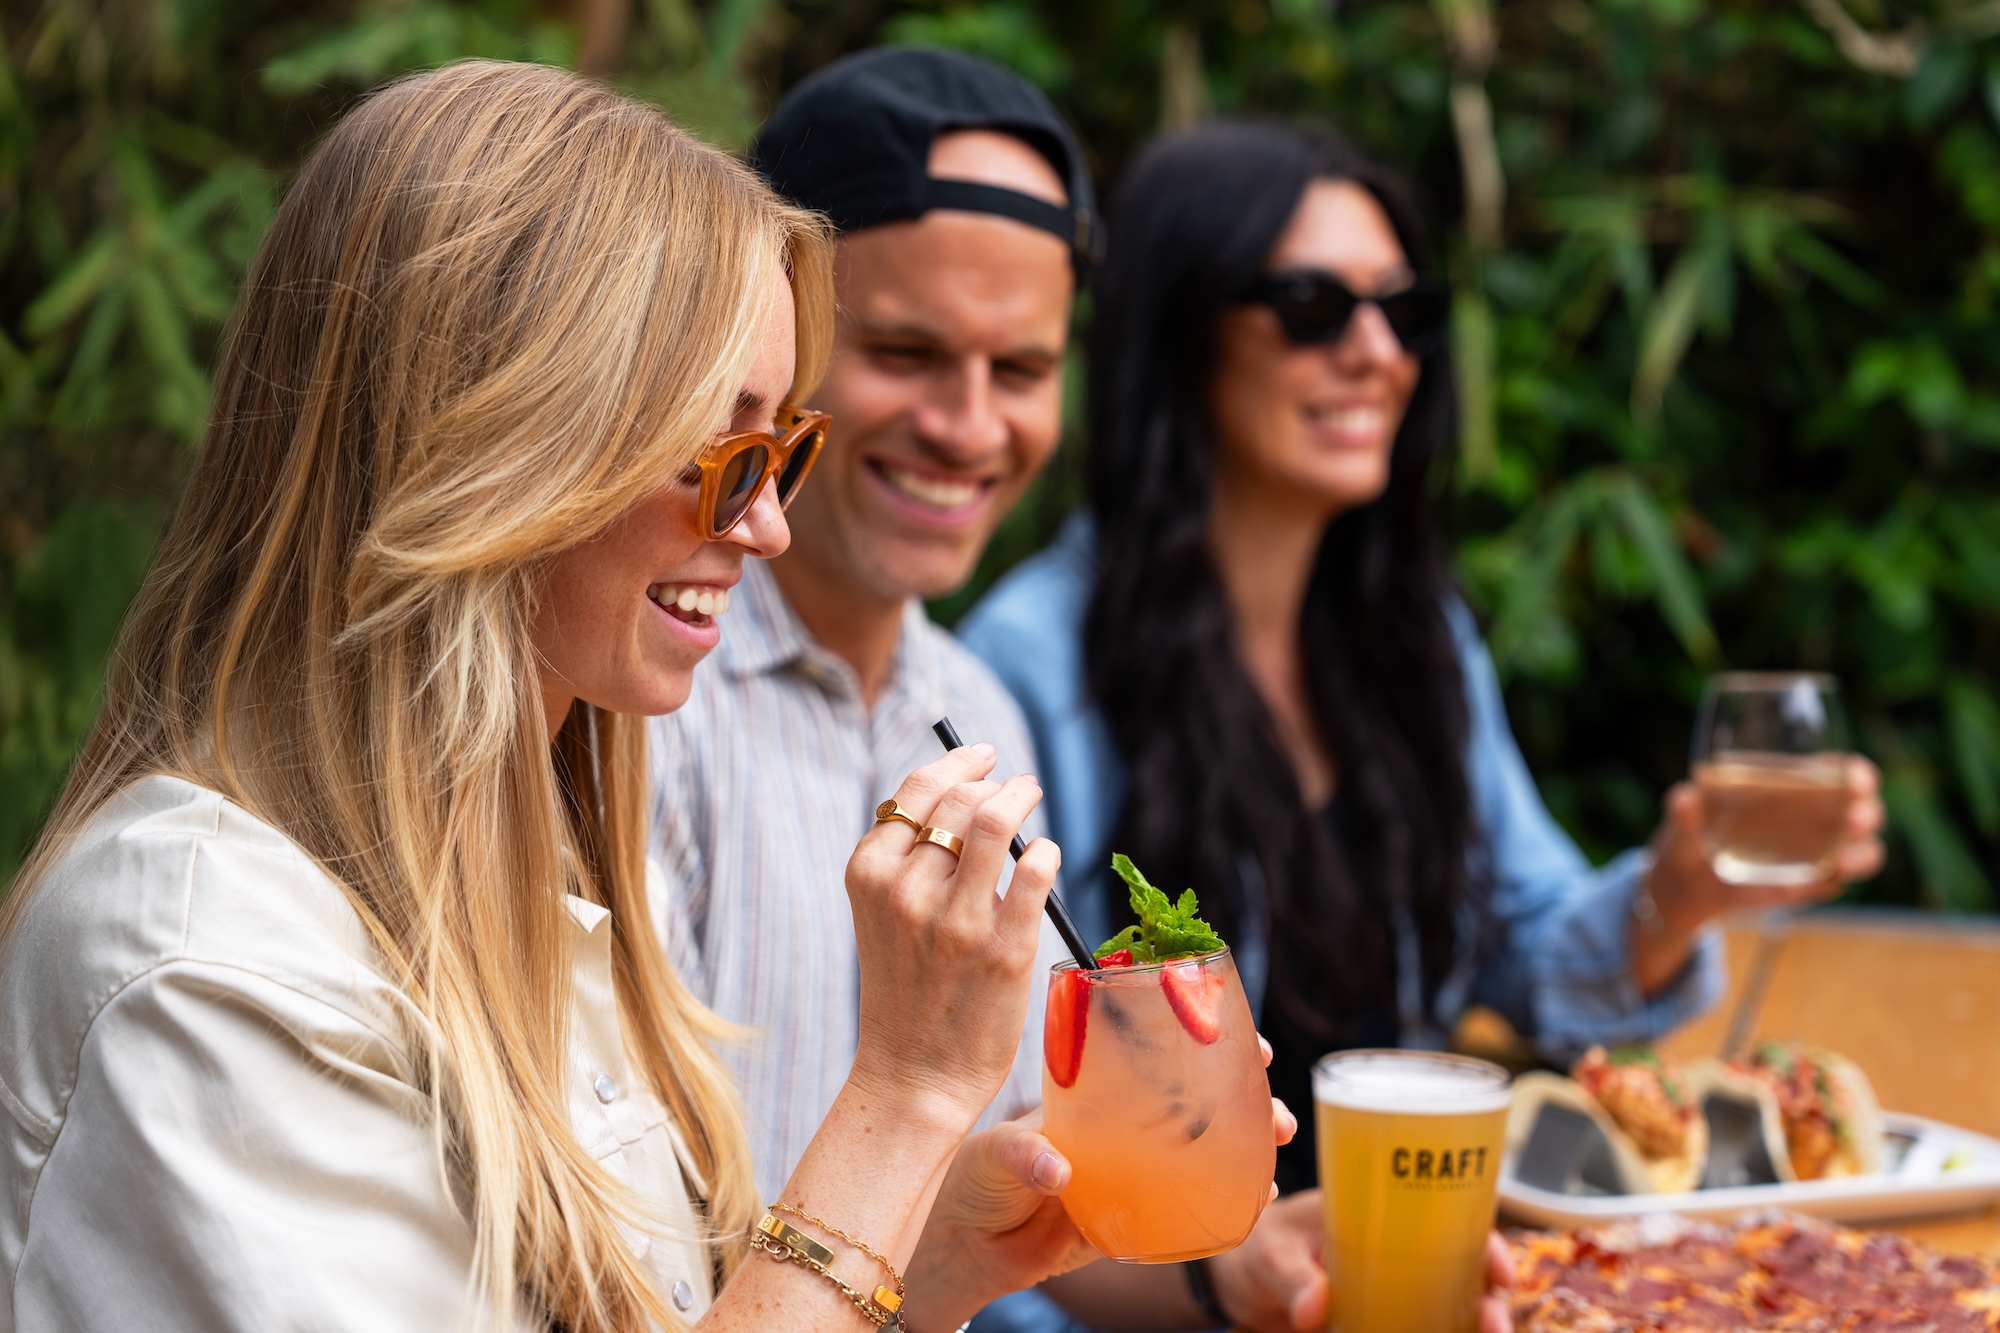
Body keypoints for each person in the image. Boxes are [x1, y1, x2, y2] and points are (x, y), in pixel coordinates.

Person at [0, 61, 1107, 1332]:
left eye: (786, 451)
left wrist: (929, 1265)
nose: (766, 529)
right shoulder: (212, 964)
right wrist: (901, 1103)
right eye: (721, 447)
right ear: (500, 446)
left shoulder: (532, 891)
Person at [960, 110, 1885, 1272]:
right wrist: (1215, 1285)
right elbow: (1002, 1133)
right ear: (1181, 334)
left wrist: (1678, 888)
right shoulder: (1026, 660)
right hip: (1150, 1290)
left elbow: (1530, 948)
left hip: (1405, 1257)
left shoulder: (1414, 638)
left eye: (1403, 311)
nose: (1376, 352)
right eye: (1311, 308)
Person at [650, 47, 1356, 1333]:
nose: (968, 426)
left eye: (1019, 371)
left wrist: (1215, 1265)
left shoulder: (970, 704)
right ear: (771, 348)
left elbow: (1005, 1206)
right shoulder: (641, 695)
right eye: (906, 351)